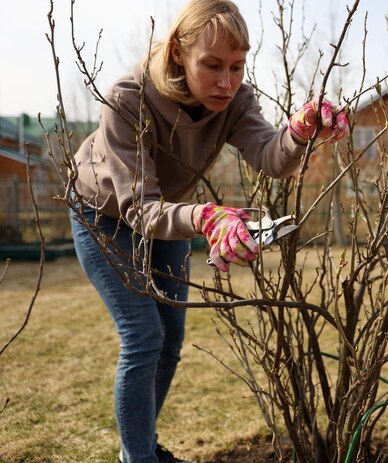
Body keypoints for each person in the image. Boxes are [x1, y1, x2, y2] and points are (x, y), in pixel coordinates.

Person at [68, 1, 348, 462]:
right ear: (179, 52)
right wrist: (205, 217)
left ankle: (138, 447)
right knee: (143, 335)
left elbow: (268, 156)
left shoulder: (235, 99)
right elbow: (139, 207)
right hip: (106, 216)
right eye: (213, 65)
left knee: (170, 339)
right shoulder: (128, 99)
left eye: (238, 67)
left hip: (171, 217)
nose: (227, 81)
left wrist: (300, 129)